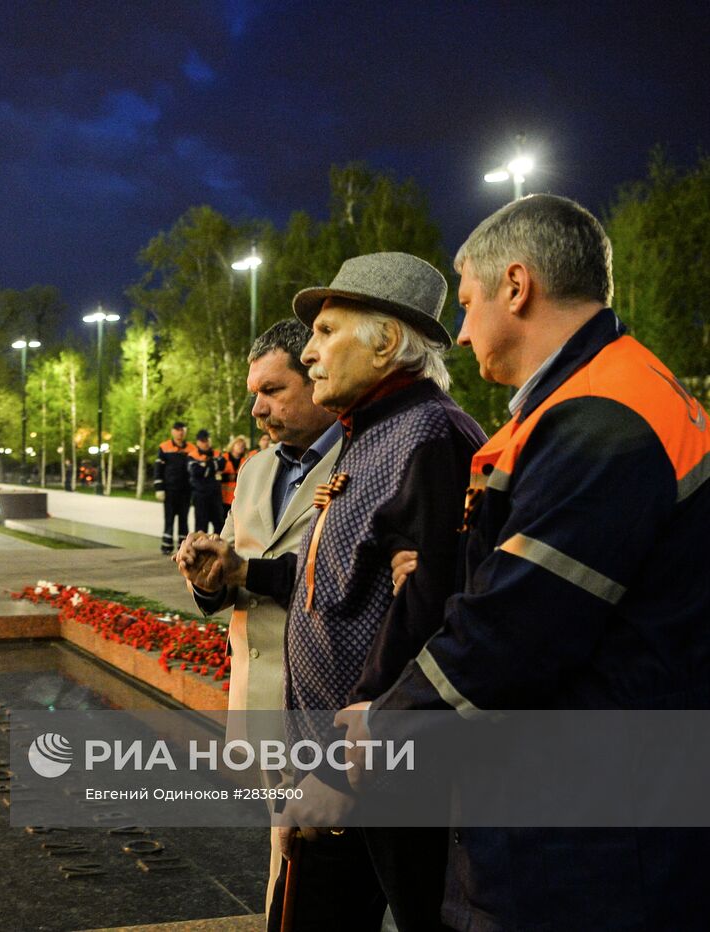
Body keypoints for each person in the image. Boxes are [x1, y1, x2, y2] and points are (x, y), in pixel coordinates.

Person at [340, 195, 710, 931]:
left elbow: (517, 625)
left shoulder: (603, 419)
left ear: (518, 287)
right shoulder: (600, 400)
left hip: (591, 840)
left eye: (469, 303)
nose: (466, 329)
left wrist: (385, 724)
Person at [183, 252, 486, 931]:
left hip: (381, 773)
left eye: (325, 332)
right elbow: (341, 581)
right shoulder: (371, 431)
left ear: (384, 341)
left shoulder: (431, 437)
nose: (310, 353)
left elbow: (428, 622)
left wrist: (338, 774)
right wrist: (241, 573)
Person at [176, 319, 342, 924]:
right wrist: (207, 577)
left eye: (272, 390)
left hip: (325, 707)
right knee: (284, 852)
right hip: (261, 699)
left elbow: (346, 578)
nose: (257, 409)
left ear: (317, 377)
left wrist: (245, 571)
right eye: (254, 393)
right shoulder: (254, 469)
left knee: (311, 869)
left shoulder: (363, 457)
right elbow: (232, 562)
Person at [153, 420, 195, 554]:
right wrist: (159, 488)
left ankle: (183, 548)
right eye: (177, 430)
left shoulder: (191, 449)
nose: (180, 433)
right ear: (172, 432)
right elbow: (158, 469)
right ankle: (167, 546)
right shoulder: (164, 447)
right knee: (169, 519)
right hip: (169, 490)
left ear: (185, 432)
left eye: (182, 430)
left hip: (185, 491)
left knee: (184, 520)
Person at [188, 429, 226, 533]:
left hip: (215, 495)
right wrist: (213, 466)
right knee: (201, 526)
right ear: (198, 442)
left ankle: (218, 548)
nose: (205, 443)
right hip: (200, 495)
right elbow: (196, 471)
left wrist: (205, 466)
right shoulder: (192, 455)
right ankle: (201, 549)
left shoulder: (217, 453)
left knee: (219, 524)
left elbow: (222, 465)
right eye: (203, 440)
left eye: (207, 440)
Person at [219, 435, 249, 508]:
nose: (241, 447)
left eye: (243, 446)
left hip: (238, 499)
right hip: (223, 498)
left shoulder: (246, 462)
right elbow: (217, 476)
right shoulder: (223, 459)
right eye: (238, 444)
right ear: (233, 445)